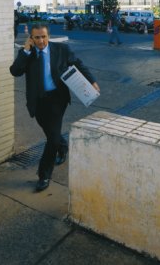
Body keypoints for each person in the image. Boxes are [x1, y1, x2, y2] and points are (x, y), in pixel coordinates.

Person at [9, 23, 100, 192]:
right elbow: (15, 71)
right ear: (31, 38)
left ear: (48, 36)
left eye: (43, 37)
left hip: (57, 99)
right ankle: (63, 145)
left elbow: (78, 64)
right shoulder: (28, 53)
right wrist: (26, 51)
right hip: (38, 101)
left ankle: (44, 175)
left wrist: (92, 81)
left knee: (52, 139)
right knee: (52, 133)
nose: (41, 41)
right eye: (37, 37)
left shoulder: (61, 50)